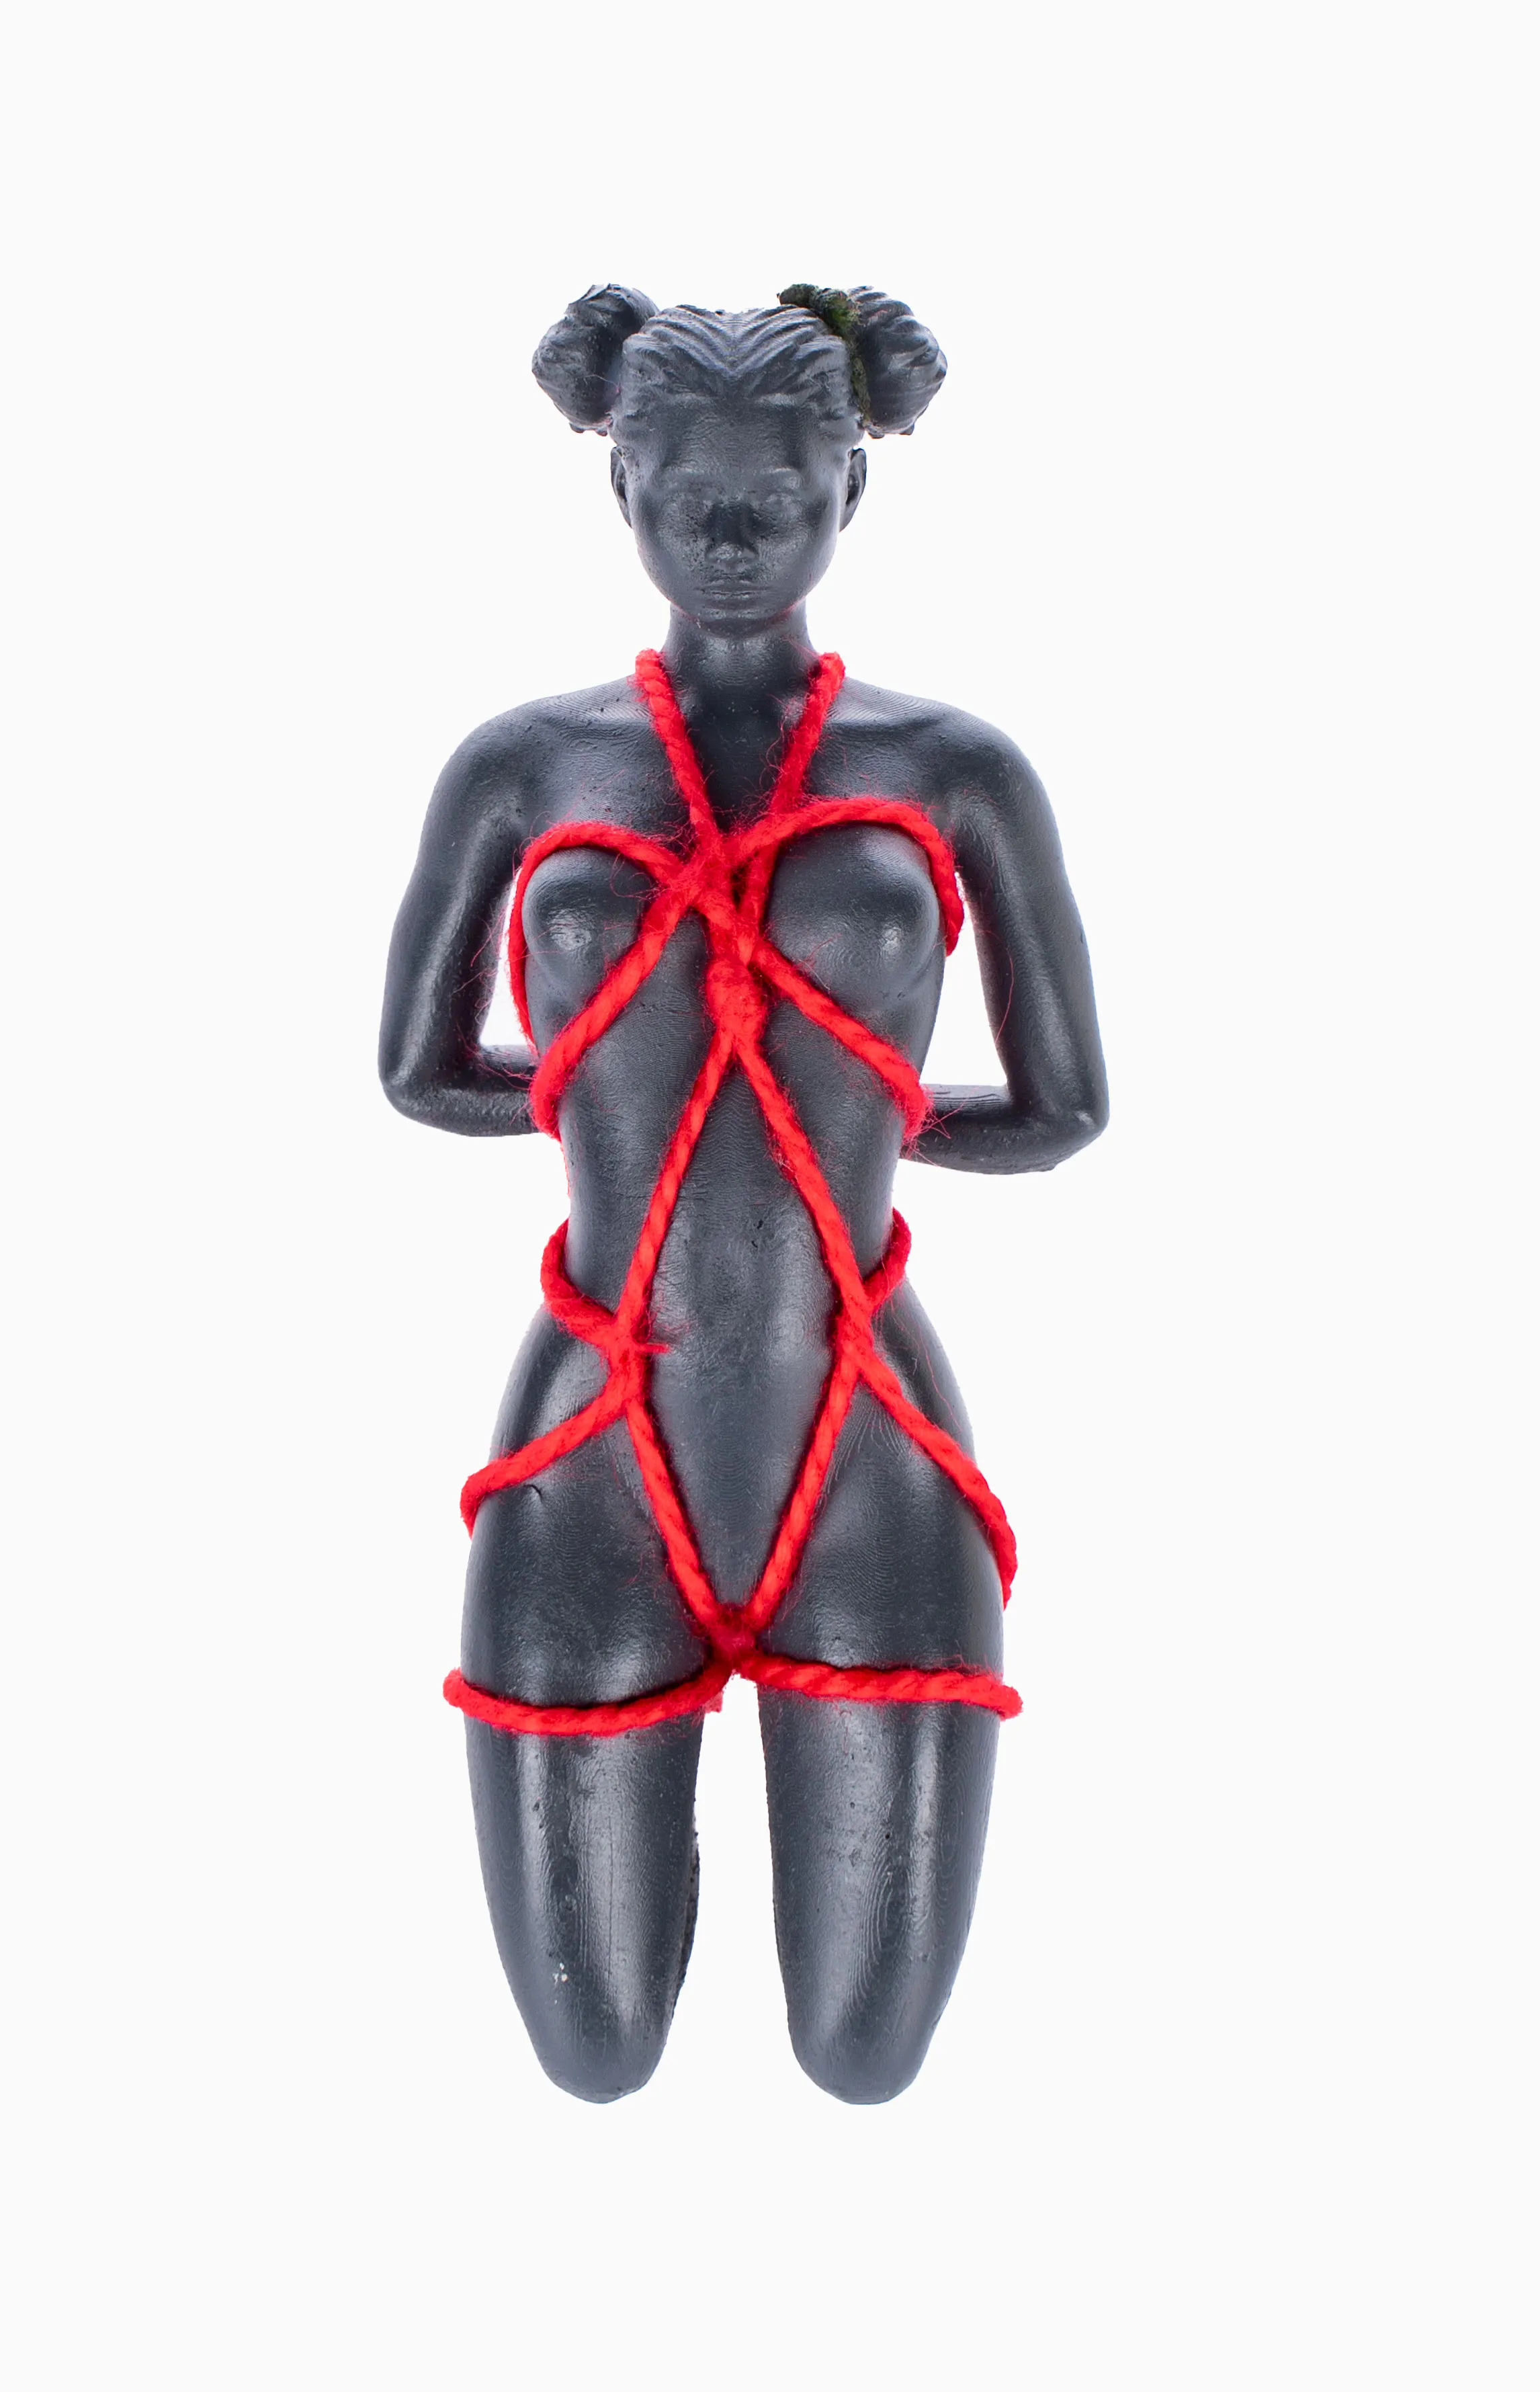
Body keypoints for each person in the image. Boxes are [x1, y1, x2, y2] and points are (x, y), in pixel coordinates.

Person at [379, 285, 1107, 2102]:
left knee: (867, 2058)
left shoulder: (954, 773)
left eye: (777, 498)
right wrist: (628, 1102)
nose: (731, 537)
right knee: (592, 2053)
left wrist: (838, 1111)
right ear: (617, 489)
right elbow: (413, 1069)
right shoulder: (523, 768)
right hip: (592, 1440)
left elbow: (1064, 1107)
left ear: (850, 489)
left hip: (864, 1431)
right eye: (690, 498)